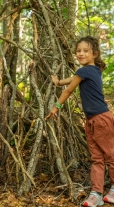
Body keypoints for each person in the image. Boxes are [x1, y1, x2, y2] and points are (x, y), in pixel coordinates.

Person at [46, 36, 114, 207]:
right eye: (78, 51)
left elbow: (69, 90)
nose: (81, 53)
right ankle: (96, 193)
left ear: (95, 54)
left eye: (86, 51)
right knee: (97, 158)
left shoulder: (84, 71)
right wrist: (58, 82)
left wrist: (56, 107)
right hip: (92, 120)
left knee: (111, 156)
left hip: (101, 119)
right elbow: (72, 79)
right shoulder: (92, 70)